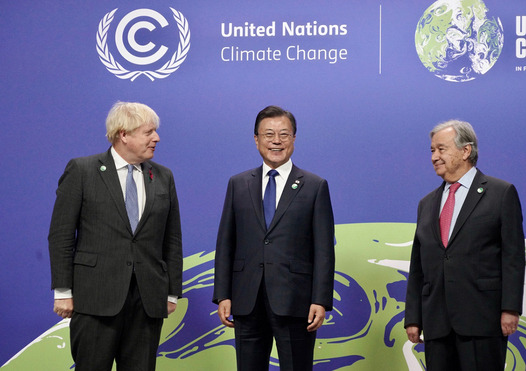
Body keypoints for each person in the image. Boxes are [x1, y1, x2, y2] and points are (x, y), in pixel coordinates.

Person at [48, 102, 183, 371]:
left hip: (147, 301)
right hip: (96, 298)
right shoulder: (82, 170)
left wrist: (171, 293)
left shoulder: (163, 176)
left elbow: (172, 238)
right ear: (123, 134)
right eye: (149, 132)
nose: (156, 138)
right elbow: (61, 234)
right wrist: (63, 291)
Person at [212, 105, 335, 371]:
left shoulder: (314, 186)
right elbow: (226, 243)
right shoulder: (238, 183)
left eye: (284, 134)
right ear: (256, 139)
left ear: (293, 139)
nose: (276, 141)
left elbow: (324, 250)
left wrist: (320, 299)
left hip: (296, 301)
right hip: (247, 300)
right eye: (268, 134)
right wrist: (223, 294)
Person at [404, 120, 526, 370]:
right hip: (437, 322)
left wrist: (510, 308)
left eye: (441, 149)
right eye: (431, 151)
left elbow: (513, 257)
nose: (434, 157)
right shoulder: (426, 204)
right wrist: (413, 317)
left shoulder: (501, 193)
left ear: (466, 151)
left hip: (483, 319)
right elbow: (418, 266)